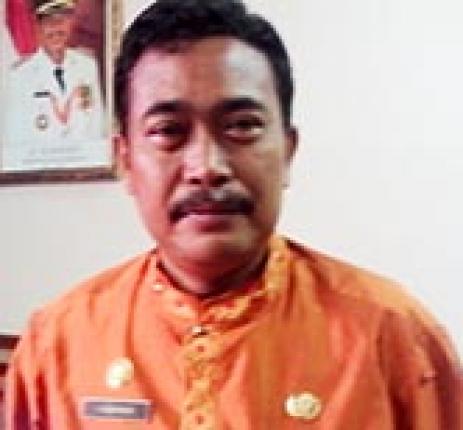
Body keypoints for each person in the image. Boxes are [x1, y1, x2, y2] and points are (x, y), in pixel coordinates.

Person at [5, 0, 462, 428]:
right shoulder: (57, 344)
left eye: (242, 126)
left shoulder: (394, 337)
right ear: (126, 160)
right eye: (168, 130)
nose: (207, 167)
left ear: (288, 151)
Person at [4, 0, 105, 149]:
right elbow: (14, 141)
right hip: (38, 162)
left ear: (71, 23)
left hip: (83, 161)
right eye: (48, 21)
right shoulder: (20, 76)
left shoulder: (87, 66)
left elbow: (98, 128)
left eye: (62, 20)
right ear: (37, 27)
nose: (56, 28)